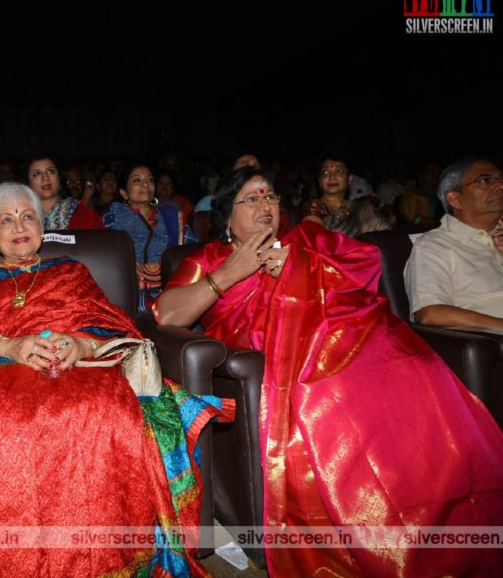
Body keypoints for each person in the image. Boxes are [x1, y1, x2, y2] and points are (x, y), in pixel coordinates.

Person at [154, 166, 503, 577]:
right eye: (252, 198)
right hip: (285, 359)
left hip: (347, 340)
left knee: (414, 369)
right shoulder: (208, 256)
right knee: (331, 395)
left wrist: (302, 266)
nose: (265, 204)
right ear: (227, 215)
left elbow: (365, 265)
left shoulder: (302, 242)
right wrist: (235, 270)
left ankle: (441, 518)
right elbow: (166, 314)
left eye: (271, 196)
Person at [0, 182, 233, 576]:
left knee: (103, 411)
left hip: (82, 364)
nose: (18, 226)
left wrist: (80, 346)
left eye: (27, 216)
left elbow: (111, 322)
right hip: (7, 363)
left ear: (42, 227)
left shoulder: (70, 269)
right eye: (6, 220)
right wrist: (11, 347)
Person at [404, 157, 503, 330]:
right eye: (484, 180)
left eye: (501, 179)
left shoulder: (499, 238)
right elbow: (429, 313)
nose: (500, 186)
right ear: (455, 200)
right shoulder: (435, 246)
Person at [103, 163, 196, 311]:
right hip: (128, 293)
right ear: (124, 193)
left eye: (150, 180)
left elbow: (193, 253)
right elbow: (106, 256)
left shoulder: (170, 216)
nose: (145, 184)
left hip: (167, 293)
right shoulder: (114, 214)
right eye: (137, 180)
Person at [301, 155, 390, 237]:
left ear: (349, 179)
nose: (332, 177)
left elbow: (385, 236)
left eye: (339, 171)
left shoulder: (361, 208)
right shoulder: (313, 208)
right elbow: (316, 244)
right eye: (326, 172)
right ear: (320, 181)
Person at [25, 155, 103, 230]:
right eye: (37, 174)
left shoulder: (81, 212)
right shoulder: (21, 215)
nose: (45, 177)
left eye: (50, 171)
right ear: (28, 183)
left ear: (59, 177)